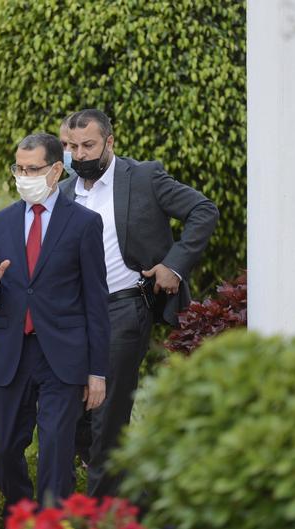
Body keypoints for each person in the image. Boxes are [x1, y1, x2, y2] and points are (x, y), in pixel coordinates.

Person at [60, 108, 219, 498]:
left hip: (123, 309)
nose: (79, 154)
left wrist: (173, 266)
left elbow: (204, 210)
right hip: (72, 317)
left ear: (110, 143)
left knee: (107, 418)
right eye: (71, 147)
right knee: (70, 415)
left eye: (88, 145)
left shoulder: (143, 176)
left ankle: (100, 517)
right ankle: (134, 498)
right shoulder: (63, 192)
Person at [0, 132, 110, 514]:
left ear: (54, 170)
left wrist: (97, 371)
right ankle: (21, 516)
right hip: (11, 354)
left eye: (32, 169)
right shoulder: (0, 222)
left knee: (55, 451)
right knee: (2, 450)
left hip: (61, 359)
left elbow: (96, 301)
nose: (23, 175)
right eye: (19, 168)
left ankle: (53, 521)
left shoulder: (84, 223)